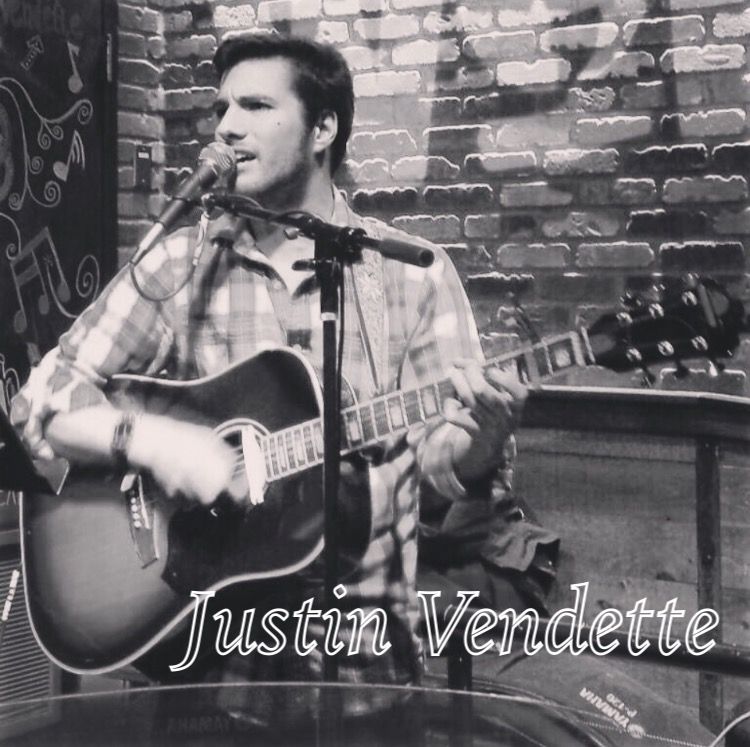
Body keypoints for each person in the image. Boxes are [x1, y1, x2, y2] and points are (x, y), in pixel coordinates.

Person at [11, 32, 551, 741]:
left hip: (366, 677)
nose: (228, 127)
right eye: (221, 109)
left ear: (323, 129)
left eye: (256, 106)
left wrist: (478, 443)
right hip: (210, 674)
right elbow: (40, 397)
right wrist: (154, 442)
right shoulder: (180, 263)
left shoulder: (411, 273)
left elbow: (437, 461)